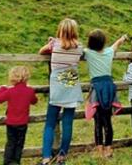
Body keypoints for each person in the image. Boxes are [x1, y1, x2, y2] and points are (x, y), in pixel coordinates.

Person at [38, 18, 84, 165]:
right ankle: (62, 156)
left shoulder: (54, 44)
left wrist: (52, 41)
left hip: (57, 83)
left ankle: (46, 158)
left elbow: (41, 51)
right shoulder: (79, 46)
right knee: (68, 122)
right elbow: (80, 54)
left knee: (50, 122)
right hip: (71, 80)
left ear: (60, 30)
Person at [83, 29, 126, 158]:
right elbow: (116, 45)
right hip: (108, 87)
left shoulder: (88, 53)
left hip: (97, 88)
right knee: (107, 120)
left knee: (98, 121)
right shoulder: (109, 52)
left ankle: (99, 149)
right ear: (104, 42)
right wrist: (122, 38)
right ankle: (109, 148)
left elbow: (77, 48)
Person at [0, 66, 38, 165]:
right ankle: (16, 162)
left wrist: (2, 88)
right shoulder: (29, 91)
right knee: (19, 144)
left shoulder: (10, 91)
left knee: (10, 143)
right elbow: (34, 101)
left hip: (11, 123)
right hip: (23, 123)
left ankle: (7, 162)